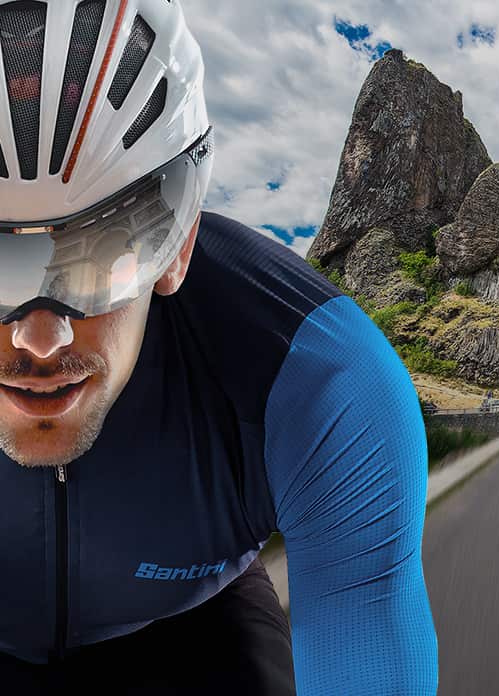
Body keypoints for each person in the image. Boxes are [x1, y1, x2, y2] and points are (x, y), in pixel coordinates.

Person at [0, 1, 436, 694]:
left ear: (177, 246)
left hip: (192, 630)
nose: (40, 340)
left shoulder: (327, 384)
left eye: (99, 255)